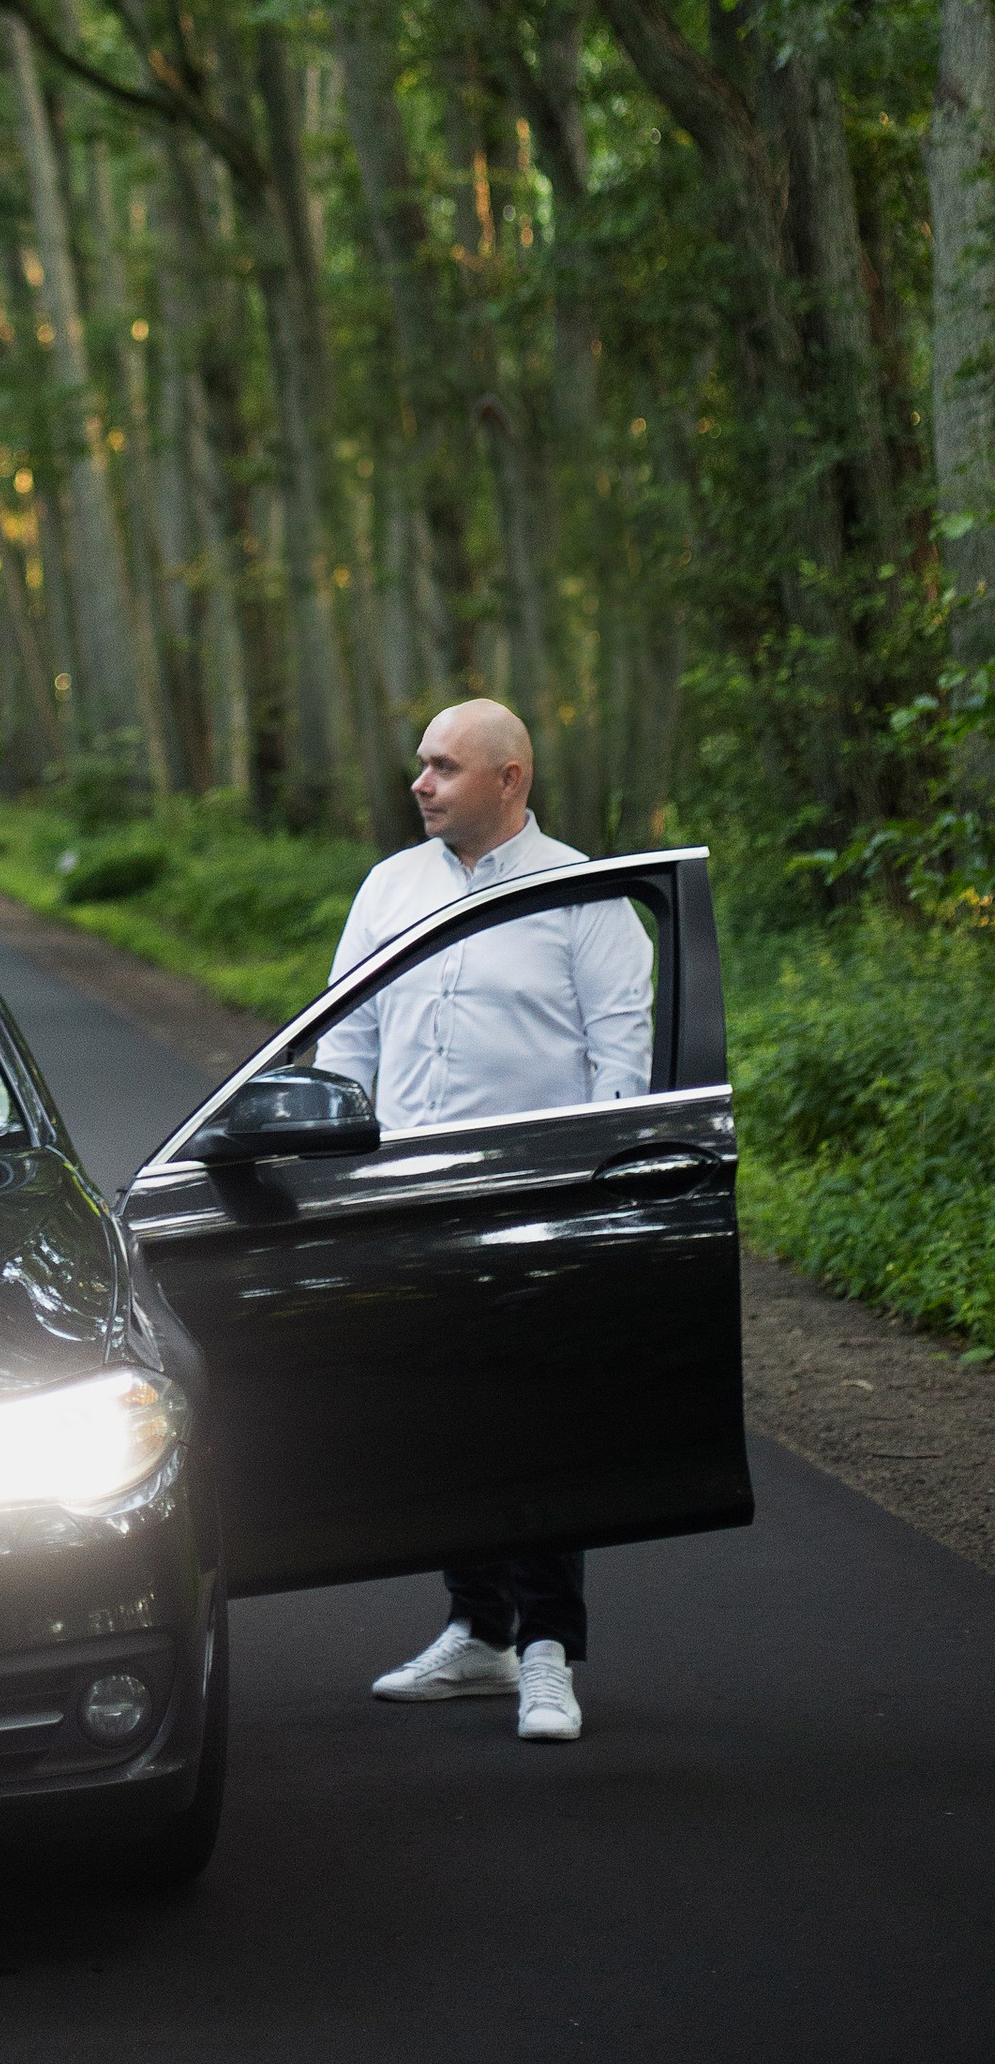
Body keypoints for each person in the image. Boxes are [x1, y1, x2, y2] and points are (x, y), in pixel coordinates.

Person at [318, 697, 653, 1747]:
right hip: (413, 1198)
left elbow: (622, 1062)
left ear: (509, 779)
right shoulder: (388, 888)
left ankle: (549, 1652)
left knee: (535, 1425)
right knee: (441, 1421)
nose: (418, 783)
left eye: (443, 767)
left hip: (535, 1201)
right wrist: (335, 1169)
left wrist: (595, 1205)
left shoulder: (582, 896)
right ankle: (476, 1630)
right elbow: (345, 1039)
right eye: (419, 765)